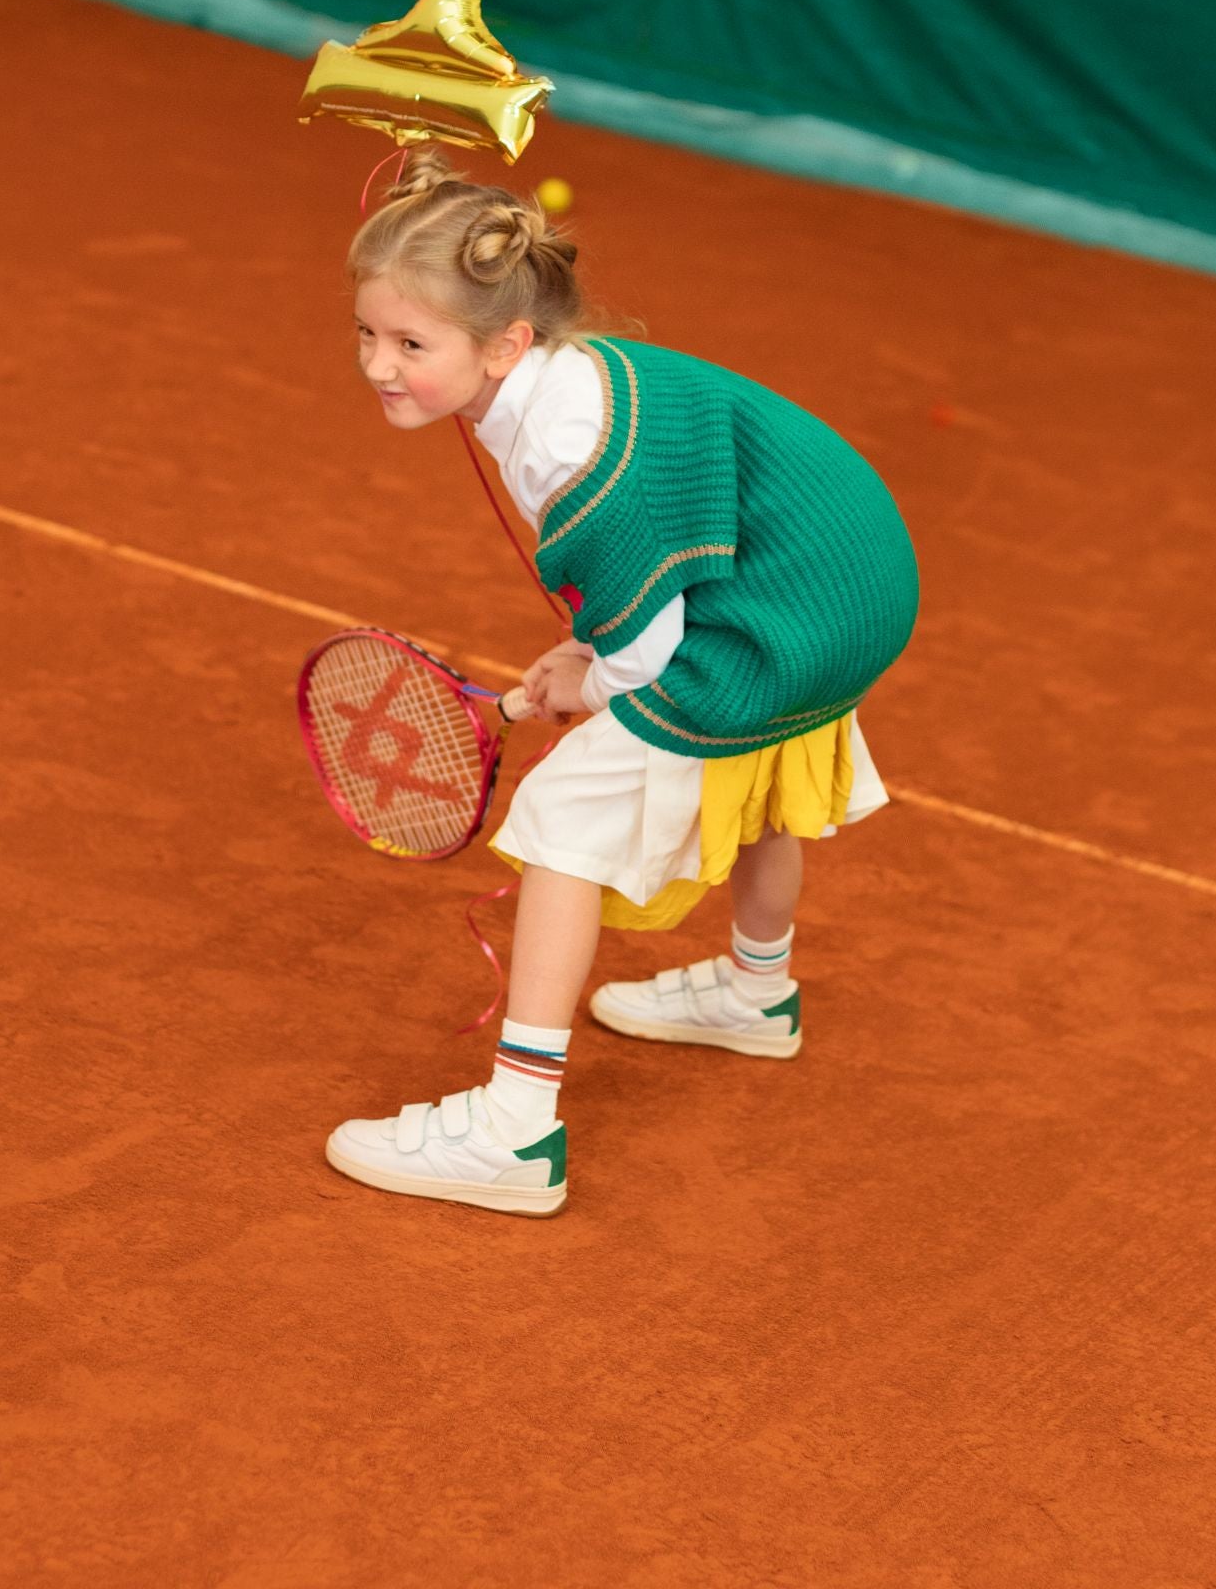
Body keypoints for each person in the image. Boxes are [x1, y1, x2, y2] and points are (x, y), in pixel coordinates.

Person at [326, 151, 919, 1216]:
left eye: (412, 343)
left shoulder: (568, 450)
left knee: (562, 823)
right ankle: (753, 991)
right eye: (368, 333)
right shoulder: (566, 379)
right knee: (762, 760)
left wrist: (592, 683)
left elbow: (645, 658)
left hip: (791, 613)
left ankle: (513, 1135)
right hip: (841, 580)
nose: (378, 363)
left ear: (506, 342)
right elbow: (647, 594)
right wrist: (594, 655)